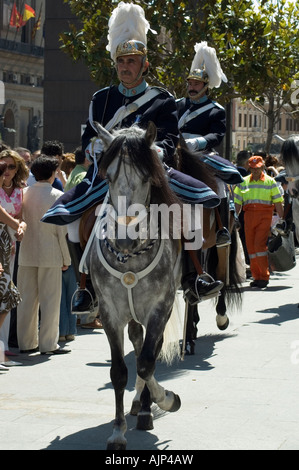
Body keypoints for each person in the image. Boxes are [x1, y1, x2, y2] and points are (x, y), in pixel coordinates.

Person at [42, 2, 223, 313]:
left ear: (144, 65)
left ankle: (195, 277)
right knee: (70, 221)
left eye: (132, 61)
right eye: (121, 61)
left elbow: (169, 138)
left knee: (189, 211)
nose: (125, 66)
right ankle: (86, 289)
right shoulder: (101, 99)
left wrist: (152, 151)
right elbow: (88, 139)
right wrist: (93, 151)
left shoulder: (162, 98)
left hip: (149, 172)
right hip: (107, 174)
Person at [176, 41, 243, 249]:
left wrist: (197, 142)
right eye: (189, 83)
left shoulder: (216, 110)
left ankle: (222, 228)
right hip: (177, 149)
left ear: (206, 86)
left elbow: (217, 135)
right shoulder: (178, 105)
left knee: (221, 184)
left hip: (202, 152)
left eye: (196, 84)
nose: (191, 88)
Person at [17, 155, 71, 355]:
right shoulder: (57, 195)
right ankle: (49, 344)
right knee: (50, 300)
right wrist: (66, 259)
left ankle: (26, 343)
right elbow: (61, 231)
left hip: (27, 252)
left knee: (26, 300)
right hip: (51, 253)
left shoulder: (23, 193)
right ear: (53, 173)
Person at [234, 155, 284, 288]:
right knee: (250, 248)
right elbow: (237, 203)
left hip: (264, 217)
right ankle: (257, 276)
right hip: (248, 217)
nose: (255, 171)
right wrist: (234, 218)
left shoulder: (270, 182)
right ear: (249, 168)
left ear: (262, 167)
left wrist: (282, 219)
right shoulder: (243, 182)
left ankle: (264, 276)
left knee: (259, 246)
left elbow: (278, 202)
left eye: (257, 168)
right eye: (252, 168)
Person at [0, 149, 28, 355]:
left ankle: (4, 346)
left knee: (7, 293)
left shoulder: (19, 189)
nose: (7, 170)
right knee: (5, 291)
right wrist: (16, 224)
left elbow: (21, 216)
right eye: (3, 165)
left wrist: (21, 227)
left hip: (10, 244)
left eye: (11, 166)